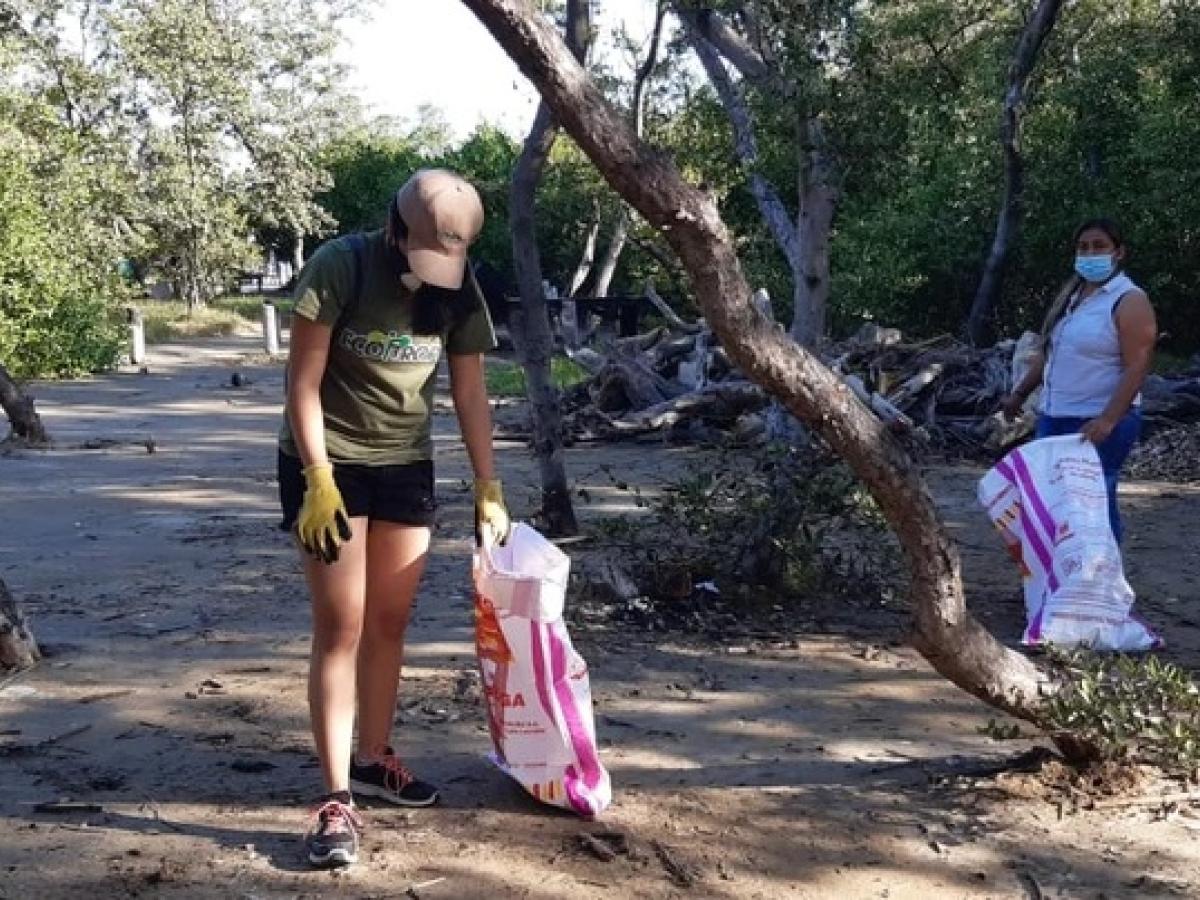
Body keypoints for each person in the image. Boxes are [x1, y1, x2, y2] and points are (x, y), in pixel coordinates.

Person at [277, 169, 512, 869]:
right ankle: (334, 797)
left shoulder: (460, 285)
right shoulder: (339, 266)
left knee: (389, 620)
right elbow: (303, 384)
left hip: (405, 464)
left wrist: (488, 483)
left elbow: (470, 394)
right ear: (395, 229)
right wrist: (318, 478)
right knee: (342, 623)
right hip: (328, 463)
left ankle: (377, 757)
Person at [1001, 218, 1157, 543]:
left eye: (1099, 246)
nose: (1089, 253)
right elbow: (1051, 353)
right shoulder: (1073, 298)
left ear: (1119, 252)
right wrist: (1019, 394)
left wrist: (1108, 419)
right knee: (1052, 503)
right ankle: (1060, 581)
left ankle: (1101, 585)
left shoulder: (1129, 300)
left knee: (1092, 505)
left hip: (1098, 420)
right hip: (1055, 415)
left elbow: (1137, 366)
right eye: (1083, 247)